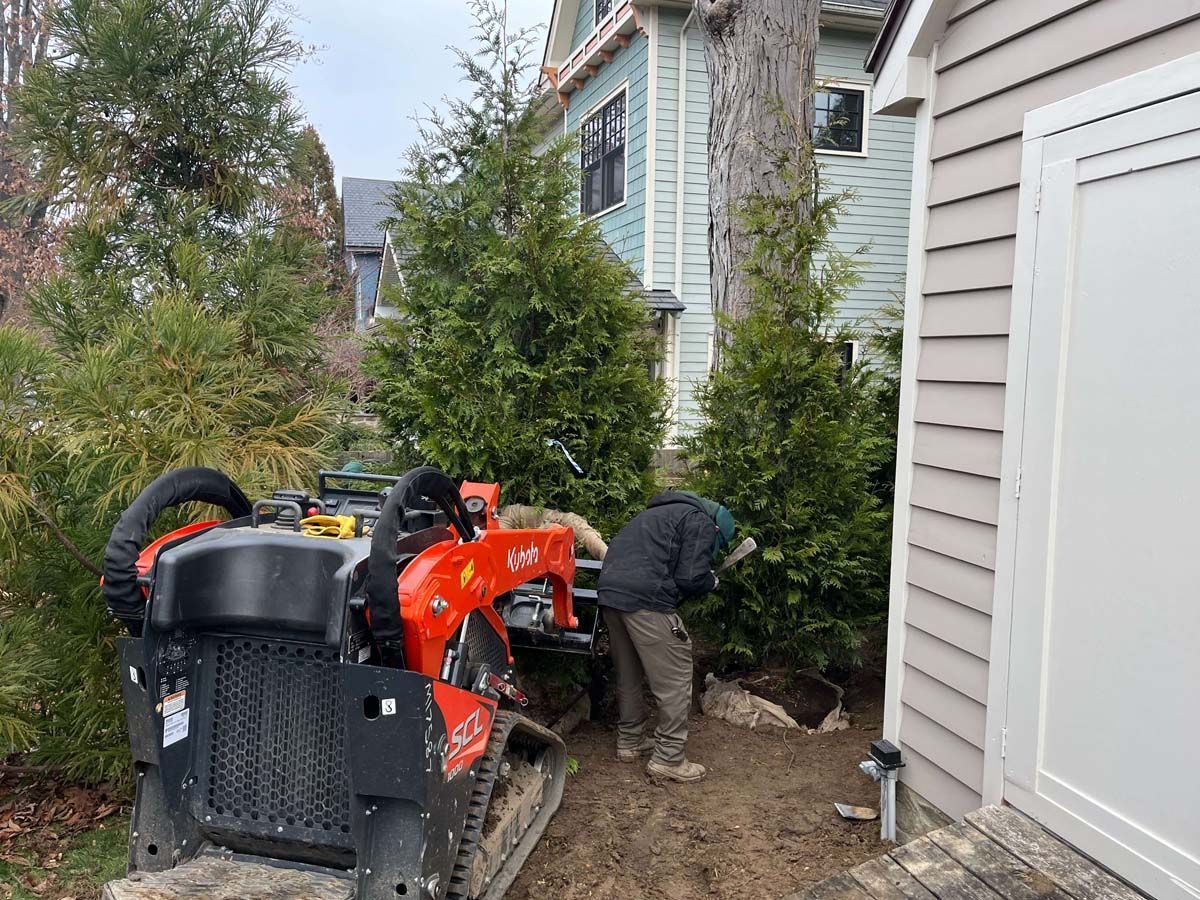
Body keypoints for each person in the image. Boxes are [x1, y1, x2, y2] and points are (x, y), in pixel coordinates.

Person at [597, 490, 735, 783]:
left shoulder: (652, 515)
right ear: (717, 529)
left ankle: (630, 741)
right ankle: (669, 758)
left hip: (611, 596)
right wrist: (710, 580)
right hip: (647, 601)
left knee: (629, 674)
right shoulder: (699, 521)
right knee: (675, 678)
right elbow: (690, 577)